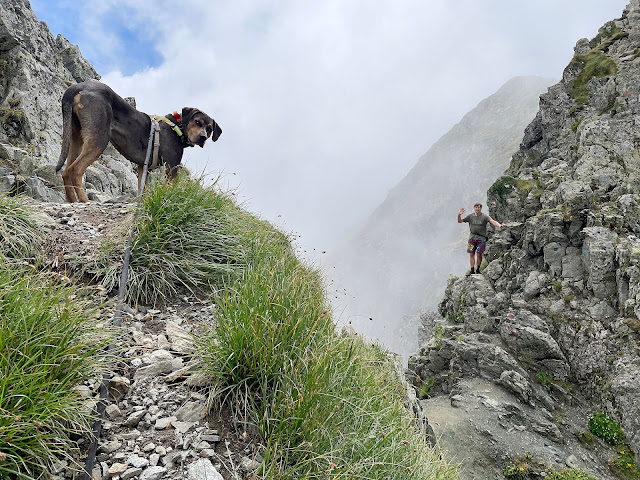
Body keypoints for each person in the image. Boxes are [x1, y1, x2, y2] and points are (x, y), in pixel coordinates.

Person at [458, 203, 503, 276]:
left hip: (481, 239)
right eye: (476, 207)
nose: (477, 209)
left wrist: (499, 225)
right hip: (472, 238)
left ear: (481, 208)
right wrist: (459, 215)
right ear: (474, 208)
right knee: (471, 254)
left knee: (479, 254)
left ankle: (478, 270)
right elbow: (460, 221)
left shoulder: (484, 216)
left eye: (479, 207)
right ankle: (472, 270)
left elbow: (492, 221)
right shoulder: (470, 217)